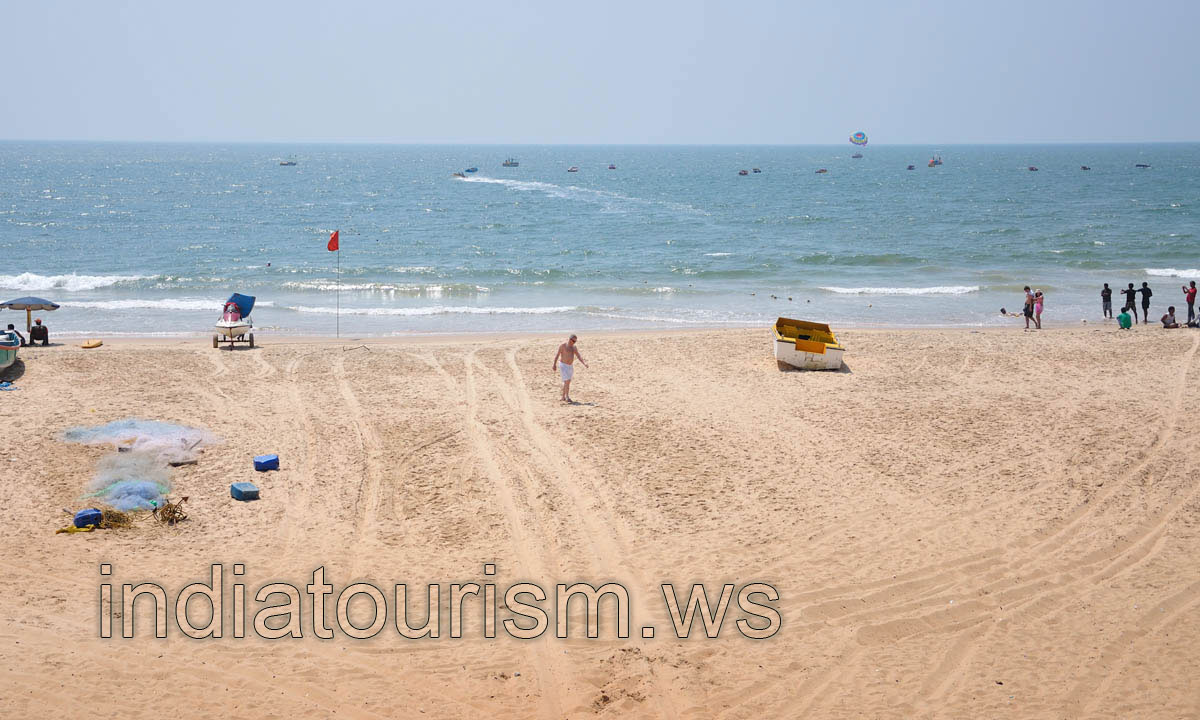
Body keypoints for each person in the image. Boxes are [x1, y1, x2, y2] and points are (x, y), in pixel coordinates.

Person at [552, 334, 589, 403]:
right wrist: (554, 364)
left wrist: (584, 363)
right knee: (567, 381)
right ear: (569, 339)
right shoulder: (563, 346)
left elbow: (578, 356)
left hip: (570, 366)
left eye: (575, 341)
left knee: (567, 382)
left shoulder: (574, 347)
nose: (573, 342)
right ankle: (567, 397)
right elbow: (557, 355)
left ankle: (563, 397)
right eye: (573, 340)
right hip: (563, 365)